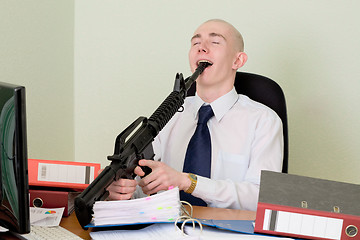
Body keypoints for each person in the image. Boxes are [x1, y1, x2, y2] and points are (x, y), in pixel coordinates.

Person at [106, 19, 283, 211]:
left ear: (237, 60)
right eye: (195, 43)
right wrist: (124, 192)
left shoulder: (264, 120)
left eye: (215, 42)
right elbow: (146, 188)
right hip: (165, 230)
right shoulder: (167, 117)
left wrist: (188, 182)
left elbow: (262, 198)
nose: (202, 48)